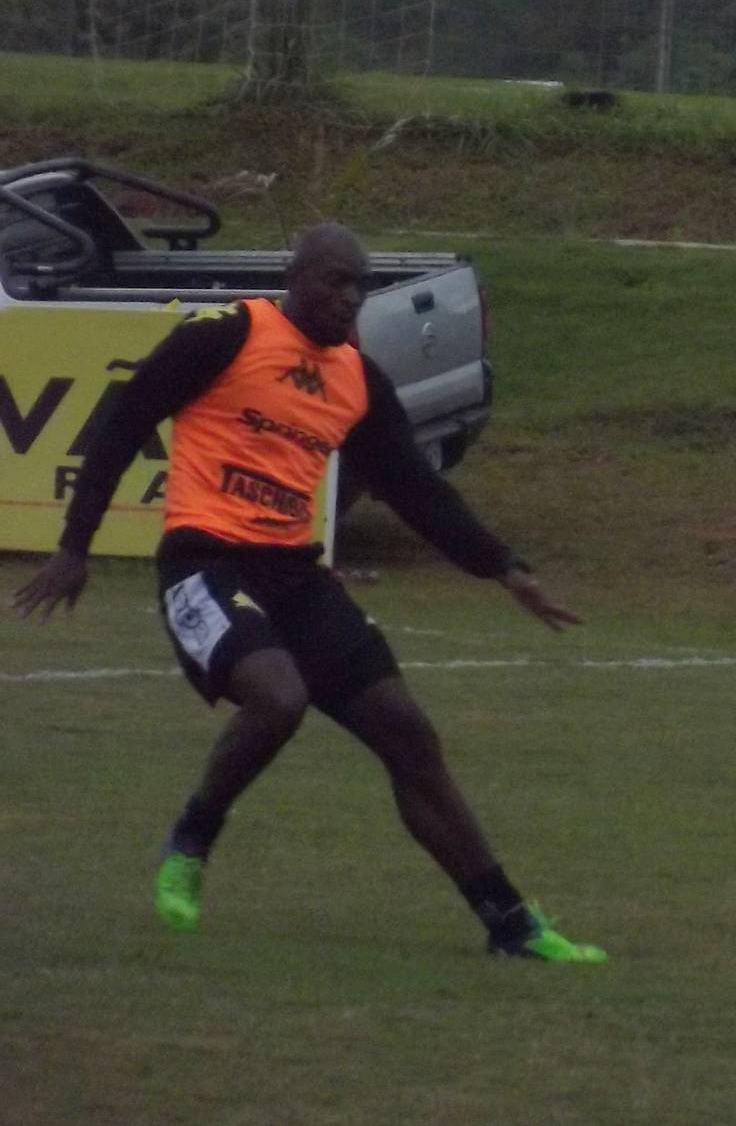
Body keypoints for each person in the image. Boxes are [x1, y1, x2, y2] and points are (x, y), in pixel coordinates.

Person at [10, 223, 606, 964]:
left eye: (358, 285)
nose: (348, 297)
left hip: (294, 573)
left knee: (407, 732)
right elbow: (124, 420)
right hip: (205, 562)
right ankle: (193, 837)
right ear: (297, 278)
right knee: (279, 695)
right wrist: (75, 545)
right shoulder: (227, 336)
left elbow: (414, 489)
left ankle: (510, 922)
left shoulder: (356, 378)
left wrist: (505, 567)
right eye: (334, 280)